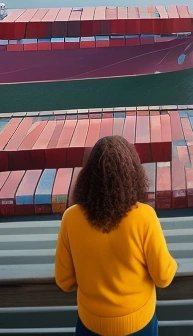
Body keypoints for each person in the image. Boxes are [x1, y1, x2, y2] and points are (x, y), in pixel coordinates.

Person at [55, 135, 178, 336]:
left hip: (91, 324)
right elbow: (163, 277)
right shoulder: (145, 217)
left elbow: (64, 281)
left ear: (87, 176)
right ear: (134, 174)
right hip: (138, 324)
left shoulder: (71, 218)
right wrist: (174, 264)